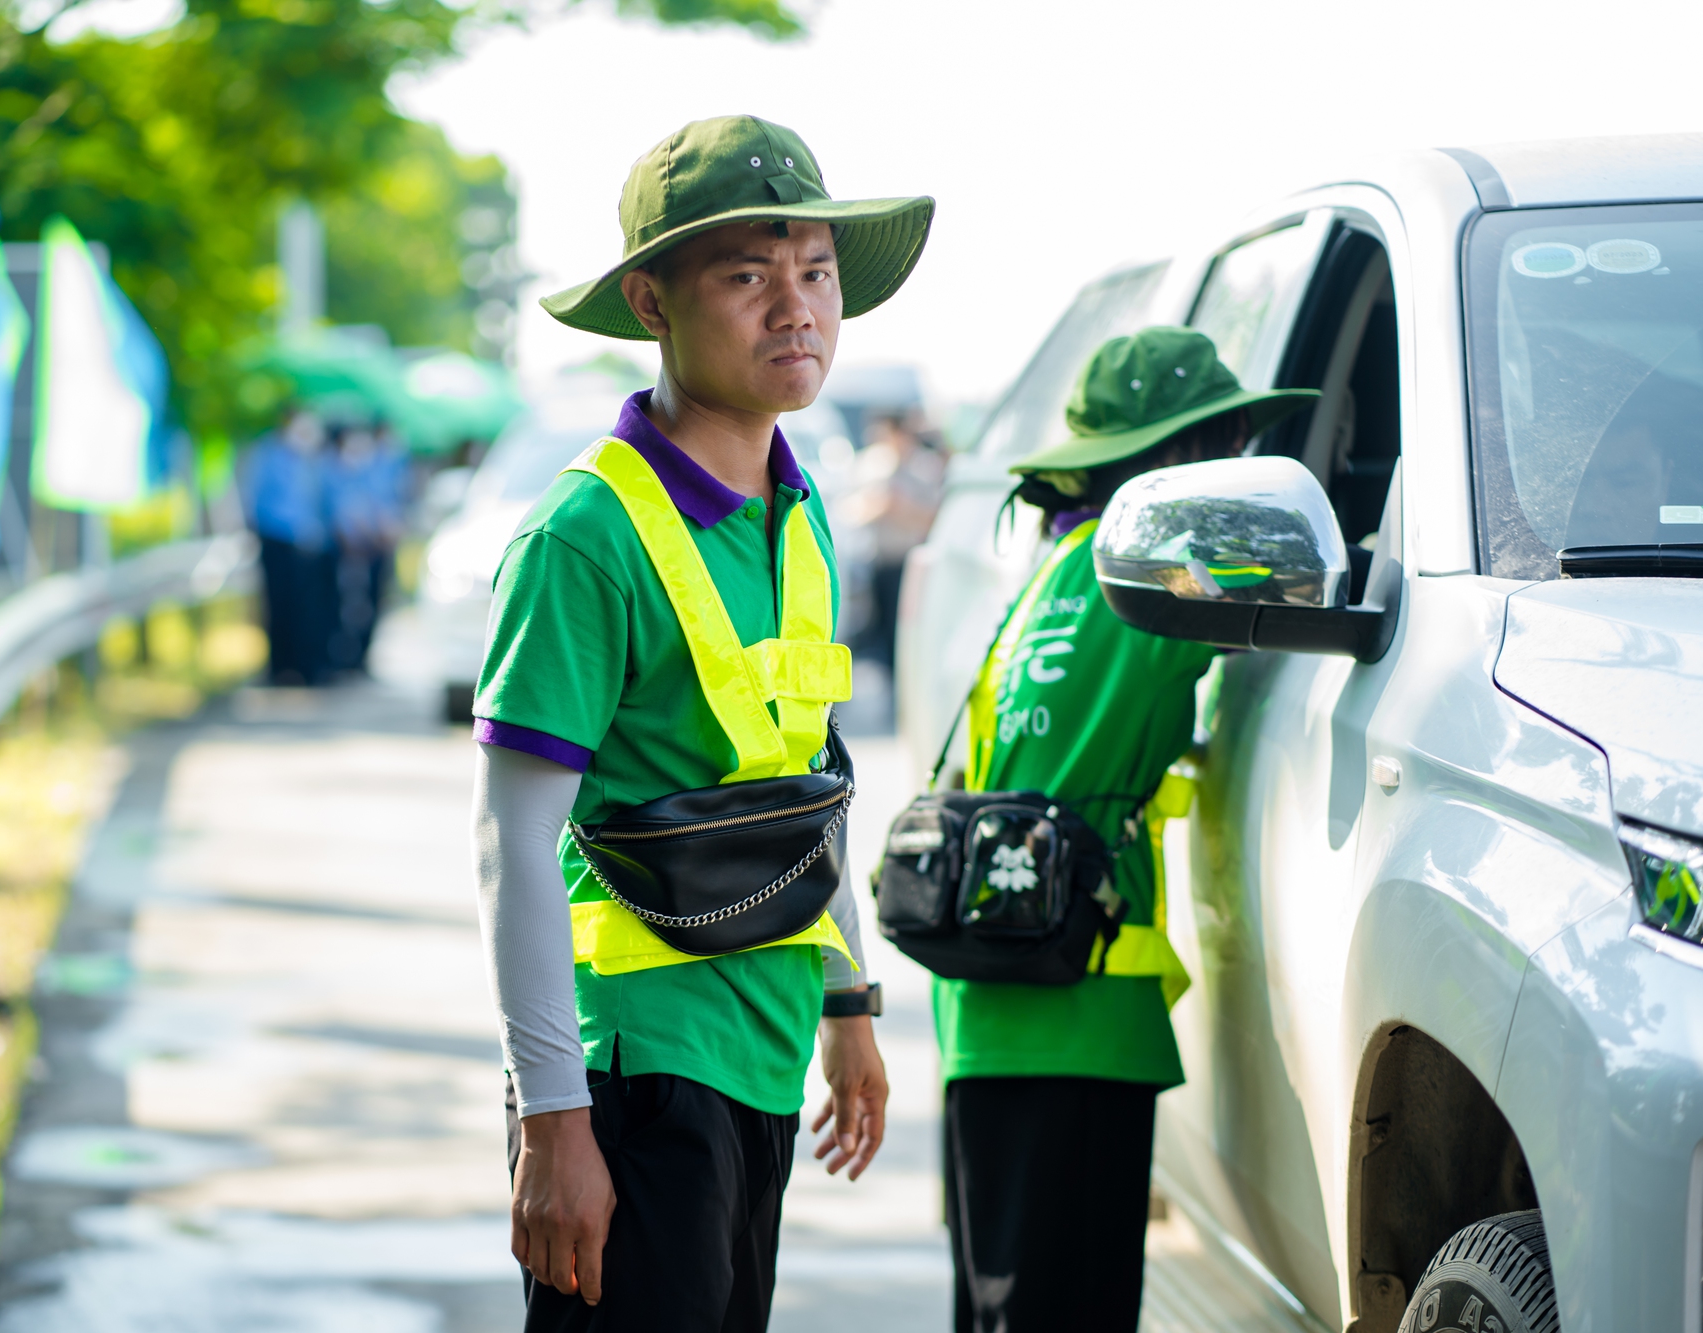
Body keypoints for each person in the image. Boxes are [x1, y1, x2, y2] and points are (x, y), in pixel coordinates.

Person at [469, 115, 934, 1332]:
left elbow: (807, 782)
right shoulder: (583, 534)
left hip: (762, 1044)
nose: (795, 308)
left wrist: (846, 1005)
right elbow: (512, 844)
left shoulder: (802, 514)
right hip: (630, 1070)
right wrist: (553, 1120)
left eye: (816, 273)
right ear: (651, 300)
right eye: (745, 275)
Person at [935, 326, 1317, 1333]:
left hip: (987, 1008)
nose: (1238, 471)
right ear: (1169, 462)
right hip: (1078, 1009)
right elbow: (1316, 579)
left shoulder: (1049, 575)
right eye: (1225, 444)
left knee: (995, 1310)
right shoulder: (1158, 566)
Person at [241, 408, 336, 685]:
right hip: (278, 541)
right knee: (279, 605)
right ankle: (280, 667)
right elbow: (260, 500)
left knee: (310, 609)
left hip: (310, 544)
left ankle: (309, 666)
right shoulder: (268, 455)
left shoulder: (313, 459)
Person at [848, 409, 942, 675]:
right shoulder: (873, 466)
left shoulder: (925, 468)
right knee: (884, 633)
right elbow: (851, 509)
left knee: (907, 632)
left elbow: (936, 515)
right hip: (880, 560)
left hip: (909, 561)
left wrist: (903, 508)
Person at [326, 421, 407, 674]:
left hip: (373, 548)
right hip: (350, 550)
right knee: (348, 603)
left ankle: (361, 657)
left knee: (371, 602)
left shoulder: (377, 468)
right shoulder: (338, 469)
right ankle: (343, 656)